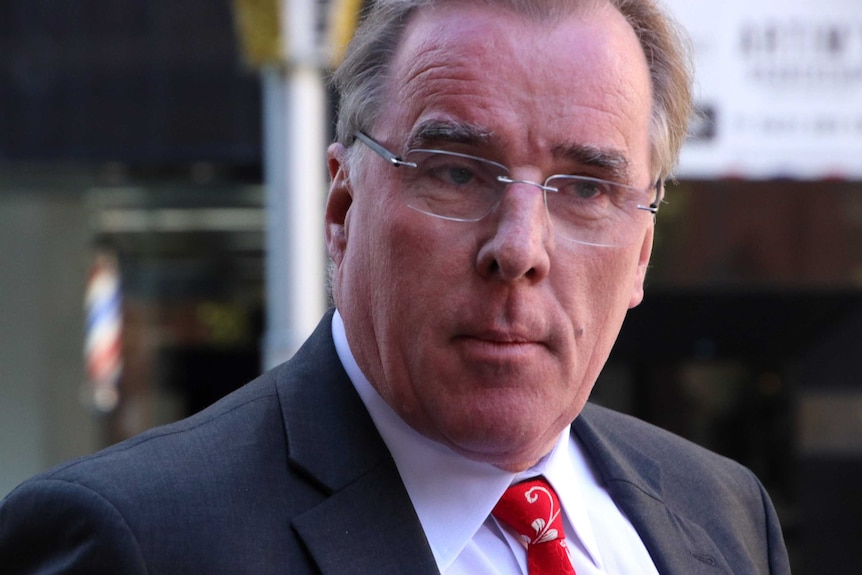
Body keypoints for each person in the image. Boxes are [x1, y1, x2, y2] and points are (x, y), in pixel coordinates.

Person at [0, 0, 791, 573]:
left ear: (643, 252)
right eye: (454, 171)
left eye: (584, 189)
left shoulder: (725, 514)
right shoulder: (138, 540)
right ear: (342, 208)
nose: (519, 248)